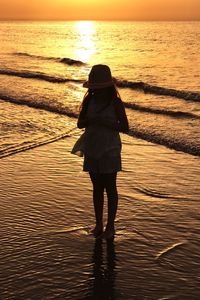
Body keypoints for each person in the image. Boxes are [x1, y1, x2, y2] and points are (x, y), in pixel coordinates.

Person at [77, 64, 129, 239]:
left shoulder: (115, 102)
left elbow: (125, 127)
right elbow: (80, 123)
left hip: (110, 148)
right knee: (97, 188)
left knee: (110, 187)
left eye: (99, 88)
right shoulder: (89, 100)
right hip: (92, 146)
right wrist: (91, 120)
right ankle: (98, 223)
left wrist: (105, 122)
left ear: (107, 87)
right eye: (94, 88)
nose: (96, 91)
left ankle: (111, 226)